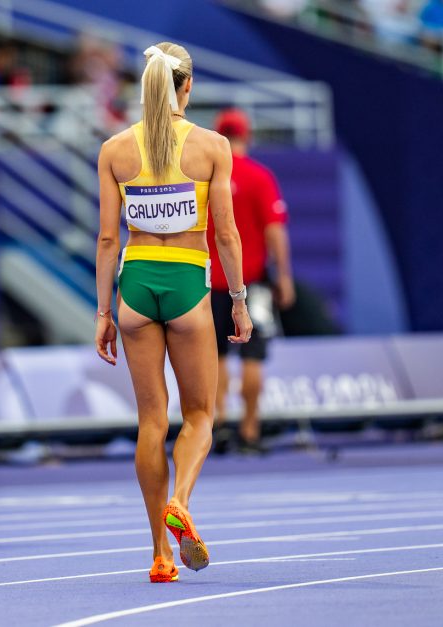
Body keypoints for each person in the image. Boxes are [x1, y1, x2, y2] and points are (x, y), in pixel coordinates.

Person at [95, 42, 252, 584]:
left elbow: (107, 238)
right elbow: (226, 234)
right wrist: (238, 300)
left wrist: (102, 313)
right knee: (202, 416)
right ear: (188, 86)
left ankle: (161, 554)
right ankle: (181, 500)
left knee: (150, 423)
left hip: (135, 287)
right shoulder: (211, 146)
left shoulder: (115, 149)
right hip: (187, 282)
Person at [207, 108, 294, 456]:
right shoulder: (260, 176)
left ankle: (218, 425)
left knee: (215, 358)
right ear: (248, 136)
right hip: (251, 282)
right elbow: (275, 231)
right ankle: (250, 431)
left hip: (209, 283)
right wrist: (284, 276)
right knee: (252, 358)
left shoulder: (207, 178)